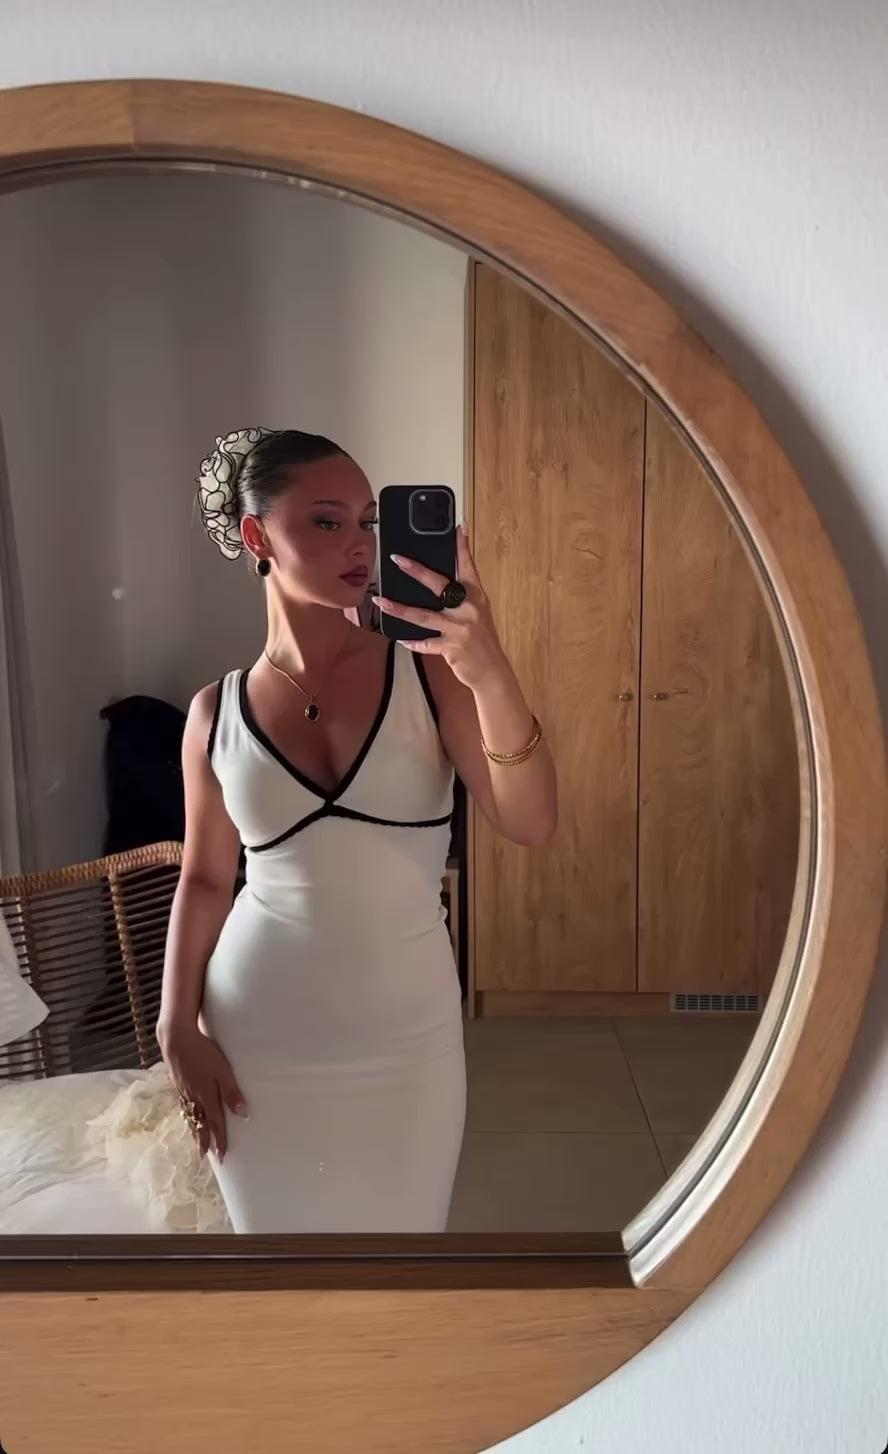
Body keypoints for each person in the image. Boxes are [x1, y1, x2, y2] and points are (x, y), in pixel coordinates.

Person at [156, 427, 557, 1233]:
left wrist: (490, 669)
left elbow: (531, 822)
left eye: (369, 521)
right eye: (327, 521)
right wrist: (175, 1027)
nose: (360, 545)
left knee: (403, 1260)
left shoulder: (430, 672)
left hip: (407, 1039)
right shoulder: (213, 713)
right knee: (278, 1272)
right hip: (254, 1035)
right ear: (257, 537)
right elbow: (205, 879)